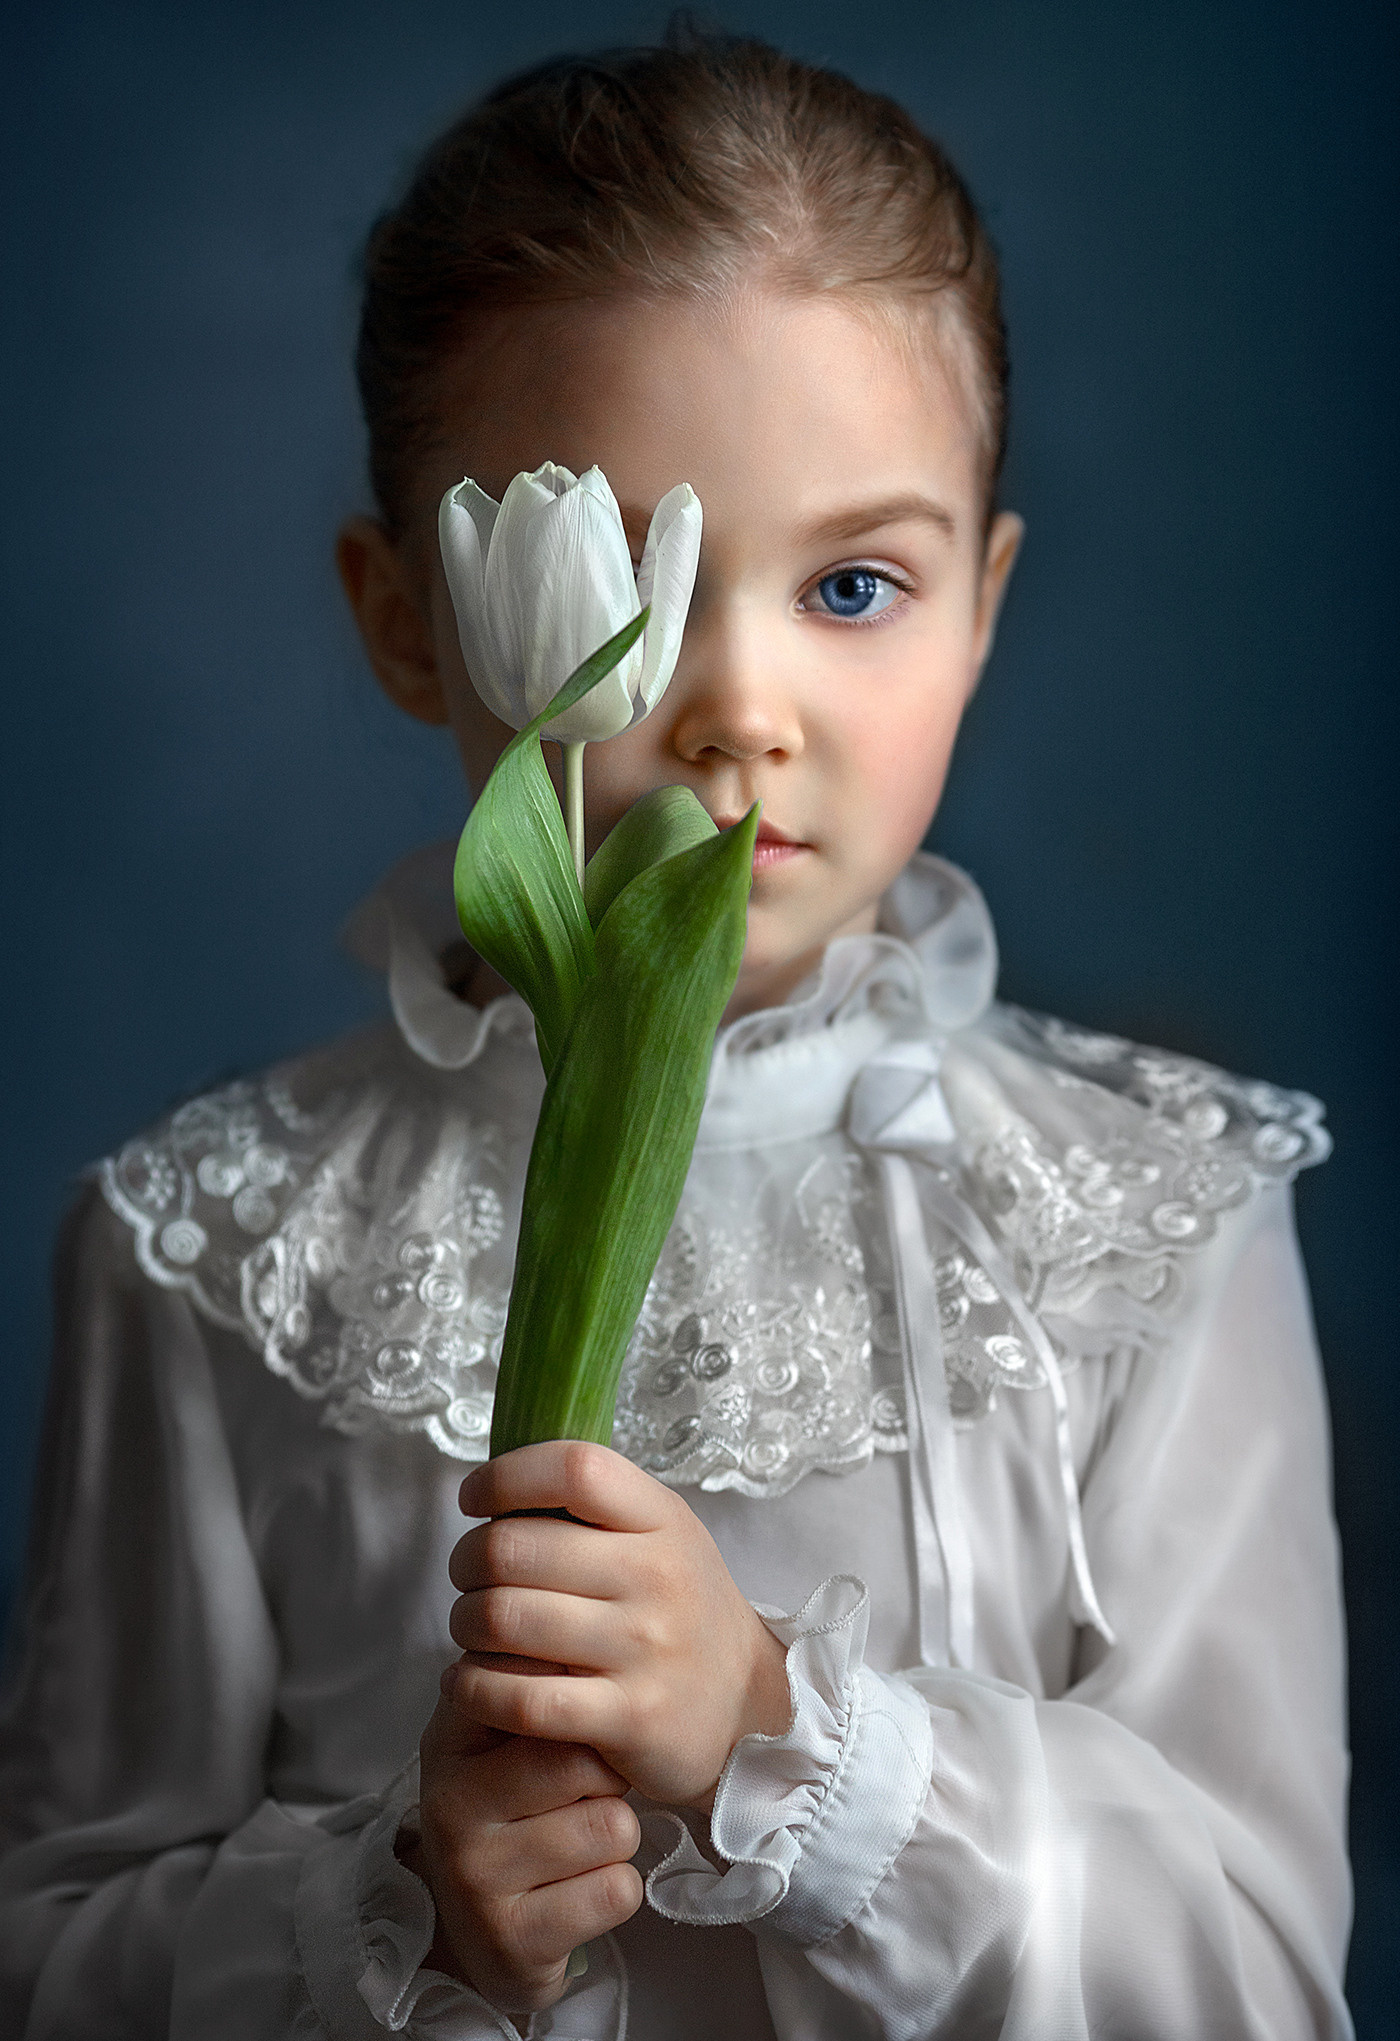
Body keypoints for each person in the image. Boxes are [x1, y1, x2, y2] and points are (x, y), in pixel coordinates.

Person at [0, 30, 1353, 2041]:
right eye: (633, 594)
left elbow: (1253, 1976)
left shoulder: (1146, 1235)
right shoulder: (213, 1259)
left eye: (857, 582)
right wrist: (404, 1910)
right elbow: (53, 1960)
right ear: (409, 617)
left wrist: (778, 1736)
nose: (739, 704)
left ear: (982, 605)